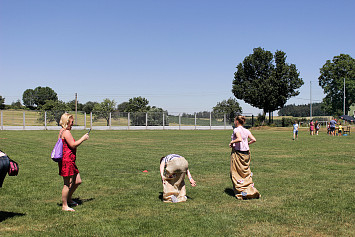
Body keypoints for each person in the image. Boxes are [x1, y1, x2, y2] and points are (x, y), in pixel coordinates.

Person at [58, 113, 89, 211]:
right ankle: (64, 205)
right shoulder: (66, 132)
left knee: (77, 181)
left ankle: (69, 199)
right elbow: (73, 144)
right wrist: (83, 138)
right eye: (71, 122)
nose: (72, 124)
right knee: (67, 184)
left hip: (70, 160)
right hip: (67, 161)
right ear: (67, 122)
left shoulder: (62, 131)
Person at [229, 115, 260, 200]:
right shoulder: (246, 130)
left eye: (235, 121)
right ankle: (249, 189)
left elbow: (239, 139)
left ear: (237, 122)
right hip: (246, 154)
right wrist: (247, 143)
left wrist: (232, 142)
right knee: (245, 173)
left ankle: (241, 191)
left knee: (235, 173)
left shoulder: (236, 130)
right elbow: (254, 139)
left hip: (238, 154)